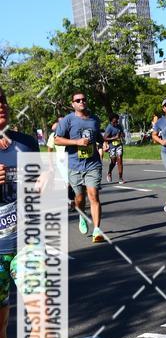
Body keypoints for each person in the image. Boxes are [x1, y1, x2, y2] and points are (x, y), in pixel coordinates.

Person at [0, 87, 76, 338]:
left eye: (2, 101)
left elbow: (50, 193)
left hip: (27, 244)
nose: (0, 107)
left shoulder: (26, 143)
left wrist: (50, 178)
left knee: (42, 313)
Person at [53, 92, 105, 243]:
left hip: (93, 164)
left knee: (93, 195)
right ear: (73, 104)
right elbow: (57, 140)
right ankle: (82, 216)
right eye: (78, 100)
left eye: (83, 99)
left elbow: (98, 137)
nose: (81, 101)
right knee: (80, 198)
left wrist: (103, 142)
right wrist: (77, 142)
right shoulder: (68, 120)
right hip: (74, 165)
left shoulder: (94, 119)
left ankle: (97, 230)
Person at [104, 113, 125, 184]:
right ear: (111, 121)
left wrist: (122, 135)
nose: (116, 123)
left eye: (117, 121)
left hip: (119, 145)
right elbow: (105, 138)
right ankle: (109, 172)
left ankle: (120, 178)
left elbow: (123, 134)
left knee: (120, 159)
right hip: (111, 146)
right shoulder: (109, 127)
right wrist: (114, 138)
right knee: (113, 161)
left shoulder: (119, 126)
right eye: (114, 122)